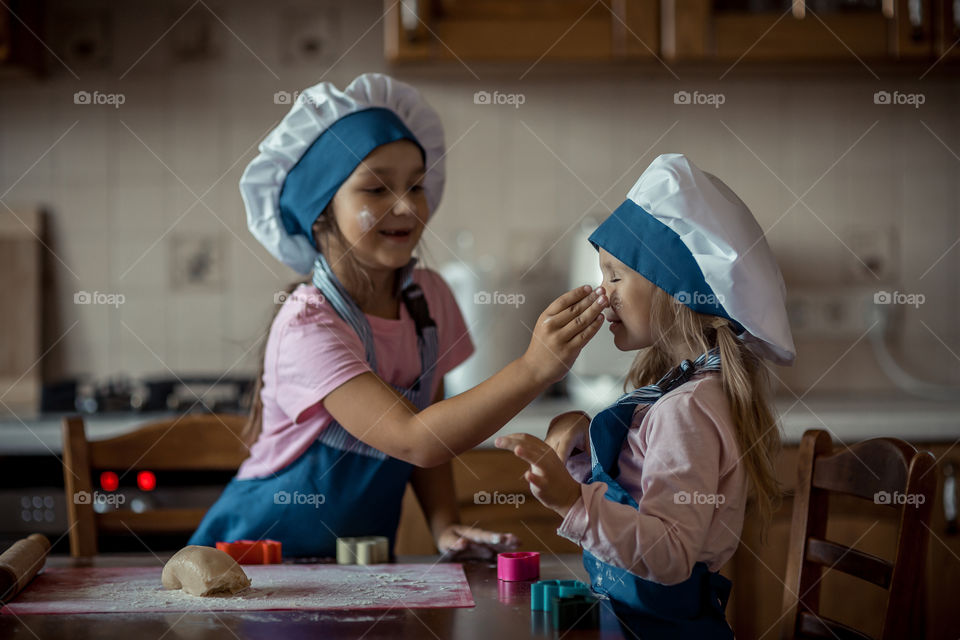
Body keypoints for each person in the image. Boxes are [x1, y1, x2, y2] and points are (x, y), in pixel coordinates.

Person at [189, 73, 608, 559]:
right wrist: (536, 367)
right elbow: (416, 440)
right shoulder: (309, 324)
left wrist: (445, 526)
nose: (407, 206)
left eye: (416, 185)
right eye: (375, 189)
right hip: (253, 566)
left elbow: (433, 427)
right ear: (321, 210)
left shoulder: (429, 301)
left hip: (356, 569)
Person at [497, 153, 795, 638]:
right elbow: (636, 497)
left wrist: (571, 502)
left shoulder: (689, 408)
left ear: (674, 289)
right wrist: (580, 452)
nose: (601, 293)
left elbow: (671, 555)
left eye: (615, 275)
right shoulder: (680, 392)